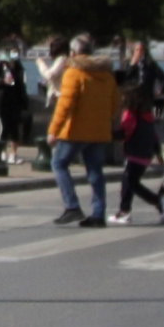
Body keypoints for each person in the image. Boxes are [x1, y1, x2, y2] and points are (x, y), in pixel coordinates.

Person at [41, 43, 122, 223]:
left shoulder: (73, 73)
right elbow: (116, 104)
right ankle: (98, 214)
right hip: (99, 131)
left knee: (59, 163)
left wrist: (53, 130)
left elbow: (65, 105)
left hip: (75, 131)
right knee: (95, 171)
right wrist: (103, 120)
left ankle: (72, 206)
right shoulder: (106, 75)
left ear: (74, 52)